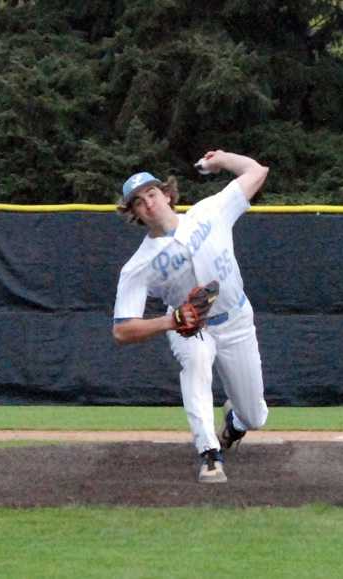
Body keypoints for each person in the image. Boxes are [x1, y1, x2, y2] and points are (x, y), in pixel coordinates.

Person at [111, 150, 270, 483]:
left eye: (152, 194)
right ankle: (210, 455)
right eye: (138, 202)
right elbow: (122, 330)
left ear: (167, 194)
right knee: (195, 364)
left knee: (254, 416)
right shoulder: (137, 266)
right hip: (190, 327)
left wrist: (223, 159)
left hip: (236, 318)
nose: (148, 203)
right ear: (135, 214)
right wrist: (171, 322)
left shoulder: (209, 211)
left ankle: (236, 423)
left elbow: (257, 172)